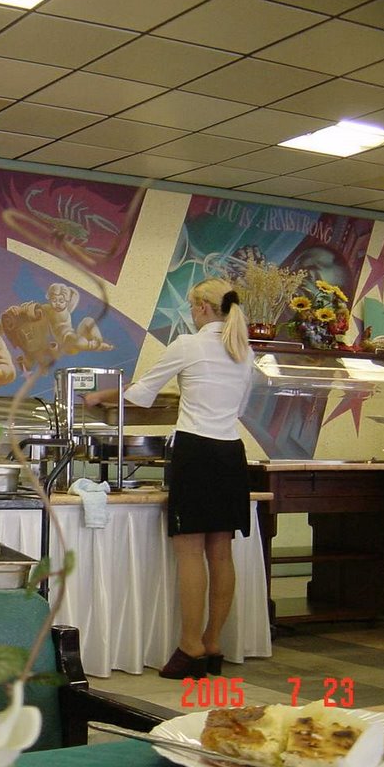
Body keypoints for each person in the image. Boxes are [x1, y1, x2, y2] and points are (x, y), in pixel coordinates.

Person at [83, 277, 254, 679]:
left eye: (193, 307)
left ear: (203, 308)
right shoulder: (243, 351)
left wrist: (97, 397)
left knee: (190, 553)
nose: (192, 314)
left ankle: (189, 645)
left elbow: (141, 392)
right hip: (231, 453)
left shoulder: (188, 345)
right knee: (221, 552)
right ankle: (213, 643)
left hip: (196, 452)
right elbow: (239, 406)